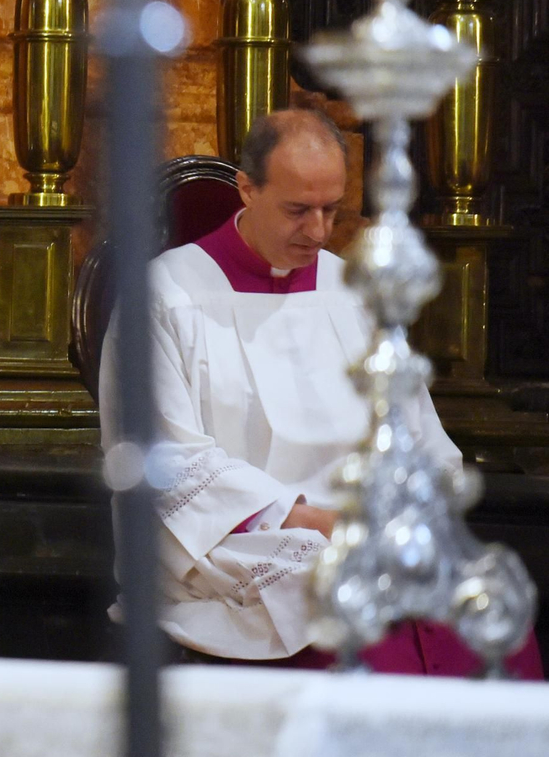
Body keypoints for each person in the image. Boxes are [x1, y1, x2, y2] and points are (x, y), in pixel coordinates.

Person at [100, 107, 542, 677]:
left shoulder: (354, 292)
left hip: (367, 531)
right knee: (356, 618)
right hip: (239, 538)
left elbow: (414, 434)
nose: (317, 231)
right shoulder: (164, 296)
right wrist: (317, 523)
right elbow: (166, 461)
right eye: (297, 210)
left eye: (331, 210)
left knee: (490, 618)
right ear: (246, 188)